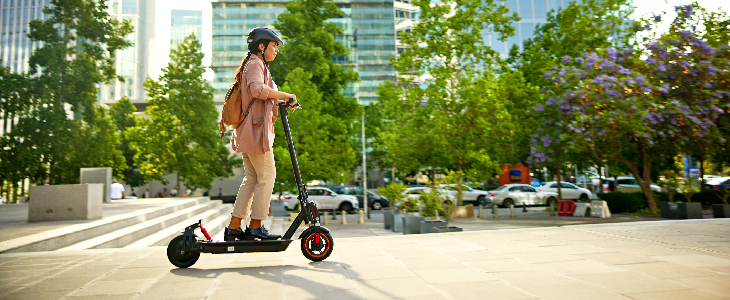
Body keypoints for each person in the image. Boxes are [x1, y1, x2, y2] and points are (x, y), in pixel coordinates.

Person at [224, 28, 297, 241]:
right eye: (274, 46)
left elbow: (265, 94)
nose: (276, 50)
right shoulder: (255, 63)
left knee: (252, 178)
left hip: (248, 132)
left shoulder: (258, 65)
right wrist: (285, 95)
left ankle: (234, 227)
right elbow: (257, 89)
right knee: (267, 176)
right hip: (255, 134)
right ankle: (255, 226)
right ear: (261, 46)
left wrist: (282, 101)